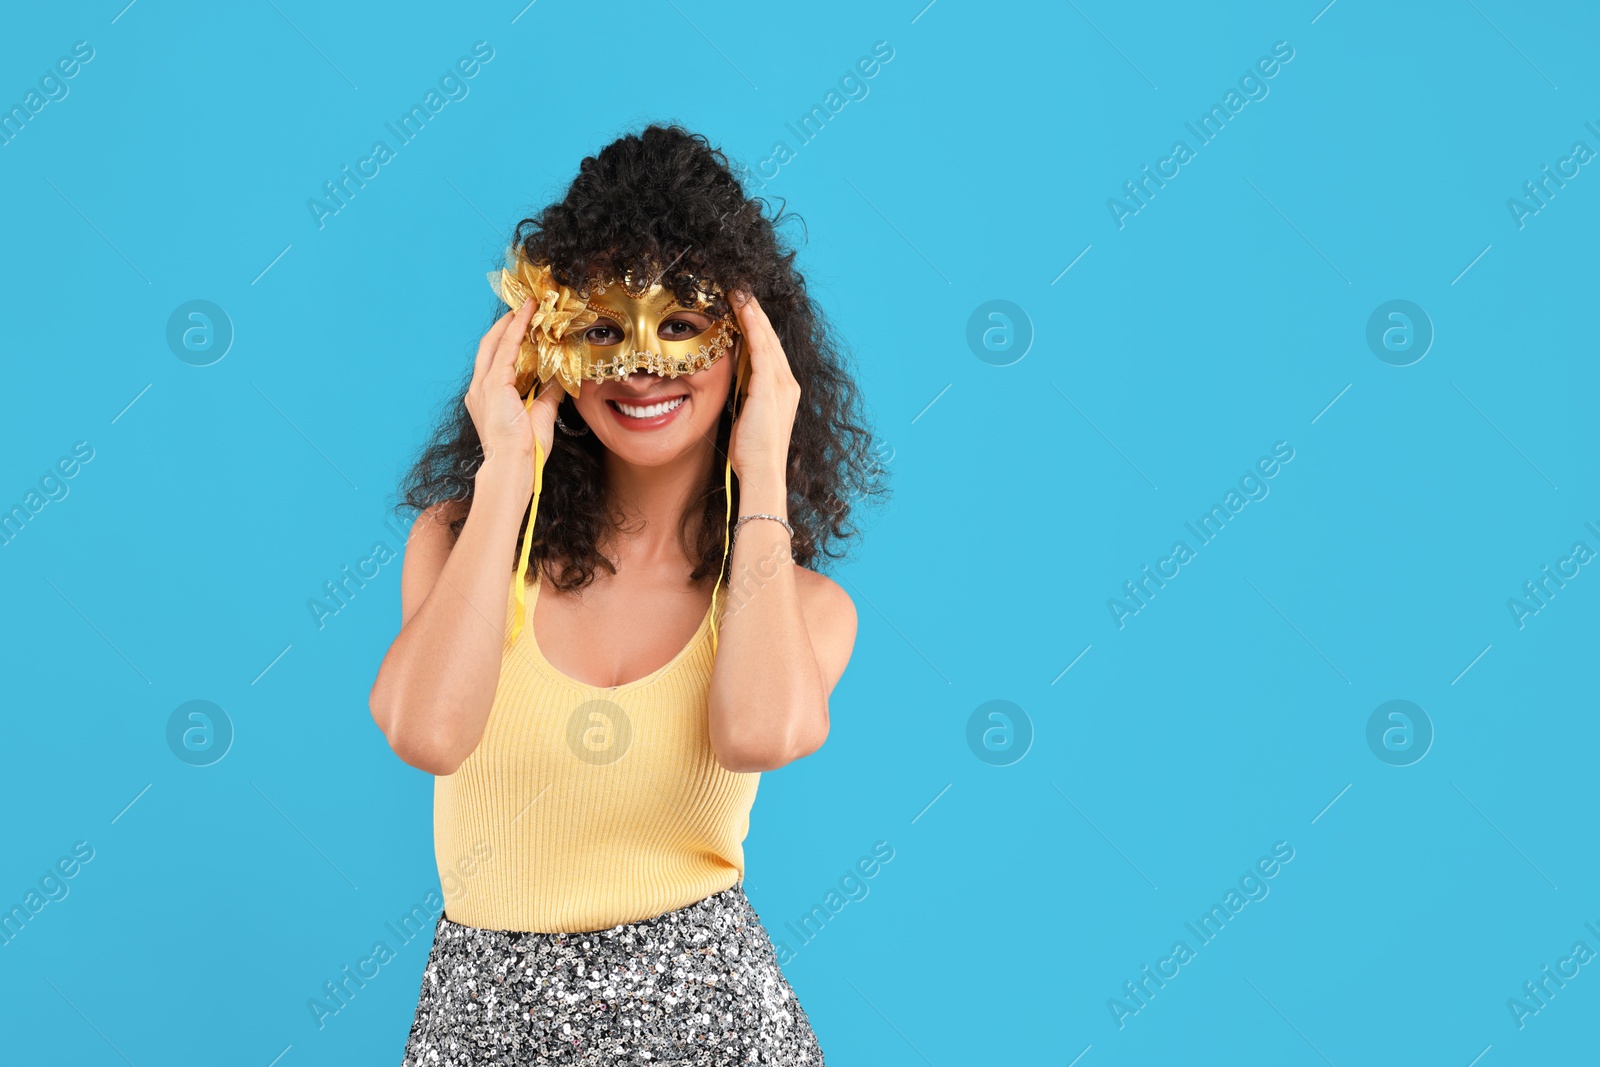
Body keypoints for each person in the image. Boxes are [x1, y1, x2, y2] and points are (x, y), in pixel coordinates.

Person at [369, 123, 887, 1064]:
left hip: (718, 1033)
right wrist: (504, 479)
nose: (642, 364)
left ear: (753, 348)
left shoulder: (801, 606)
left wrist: (763, 462)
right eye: (601, 328)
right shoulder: (460, 543)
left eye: (684, 325)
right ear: (544, 345)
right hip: (483, 1031)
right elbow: (425, 733)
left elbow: (760, 731)